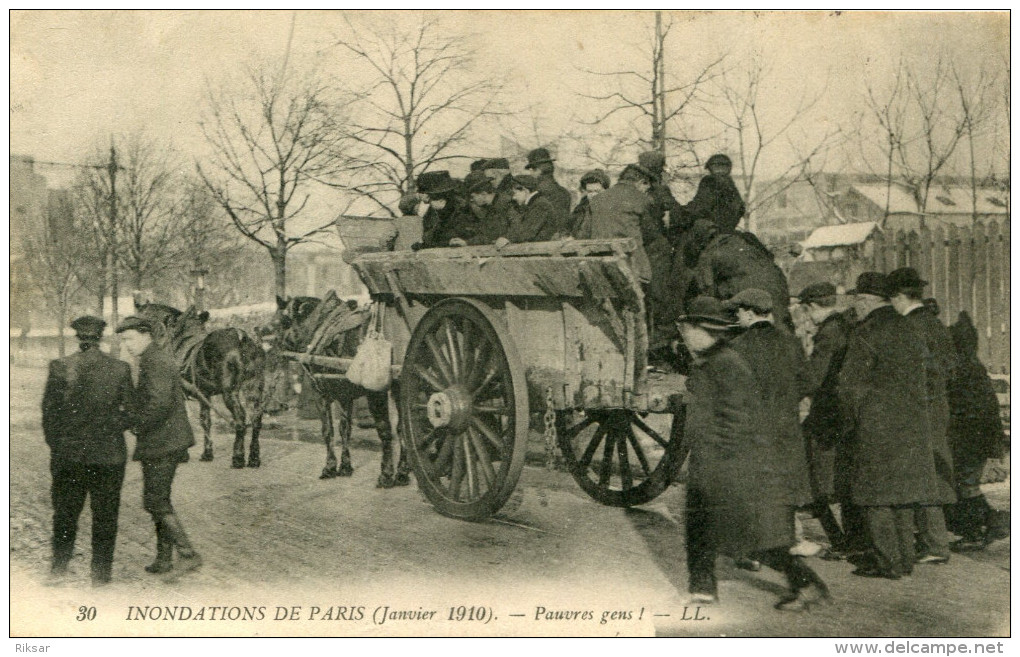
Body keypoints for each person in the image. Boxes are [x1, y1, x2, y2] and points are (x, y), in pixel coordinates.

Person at [679, 296, 828, 611]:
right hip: (717, 460)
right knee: (707, 527)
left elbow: (738, 419)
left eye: (688, 327)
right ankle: (703, 588)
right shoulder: (712, 360)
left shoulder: (726, 364)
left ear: (703, 329)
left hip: (727, 463)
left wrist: (724, 463)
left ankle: (806, 583)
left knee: (753, 537)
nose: (685, 334)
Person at [838, 273, 940, 580]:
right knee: (903, 494)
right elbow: (931, 373)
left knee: (876, 495)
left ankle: (888, 562)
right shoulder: (909, 328)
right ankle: (905, 559)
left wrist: (851, 420)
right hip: (912, 423)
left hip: (875, 424)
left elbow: (848, 384)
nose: (854, 306)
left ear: (867, 301)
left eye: (857, 299)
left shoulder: (866, 332)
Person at [724, 289, 817, 559]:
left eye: (739, 311)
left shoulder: (738, 347)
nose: (737, 316)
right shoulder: (790, 342)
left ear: (750, 313)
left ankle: (751, 546)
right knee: (785, 483)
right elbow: (807, 382)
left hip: (752, 427)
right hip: (786, 425)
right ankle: (787, 540)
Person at [42, 316, 133, 585]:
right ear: (100, 337)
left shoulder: (60, 367)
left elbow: (49, 417)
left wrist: (59, 447)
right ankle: (101, 576)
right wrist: (108, 428)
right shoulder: (120, 369)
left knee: (65, 514)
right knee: (106, 516)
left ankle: (58, 570)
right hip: (109, 456)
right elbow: (131, 413)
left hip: (69, 457)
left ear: (78, 337)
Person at [116, 316, 201, 576]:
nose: (127, 345)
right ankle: (164, 559)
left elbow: (159, 404)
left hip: (164, 441)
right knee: (158, 499)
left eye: (129, 338)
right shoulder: (153, 358)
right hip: (165, 440)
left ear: (146, 334)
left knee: (154, 500)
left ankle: (187, 554)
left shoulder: (154, 361)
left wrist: (137, 424)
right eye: (123, 340)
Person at [887, 267, 956, 565]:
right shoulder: (933, 322)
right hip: (936, 407)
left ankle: (935, 545)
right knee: (929, 473)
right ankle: (933, 541)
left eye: (892, 299)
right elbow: (951, 365)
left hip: (919, 410)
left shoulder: (911, 326)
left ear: (900, 297)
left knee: (921, 474)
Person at [795, 282, 865, 560]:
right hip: (841, 411)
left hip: (828, 413)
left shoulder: (829, 331)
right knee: (838, 477)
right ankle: (850, 538)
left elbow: (815, 377)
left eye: (806, 311)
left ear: (812, 307)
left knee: (814, 476)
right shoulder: (846, 325)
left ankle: (843, 539)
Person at [946, 312, 1009, 551]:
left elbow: (971, 409)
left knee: (965, 485)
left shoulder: (964, 369)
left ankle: (984, 527)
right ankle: (992, 523)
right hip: (977, 436)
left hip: (970, 437)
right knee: (964, 484)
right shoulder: (973, 366)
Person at [689, 219, 793, 330]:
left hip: (750, 297)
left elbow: (706, 289)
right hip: (777, 288)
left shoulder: (708, 252)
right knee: (779, 328)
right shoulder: (745, 241)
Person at [580, 163, 655, 286]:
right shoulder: (642, 199)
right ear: (642, 182)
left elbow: (584, 234)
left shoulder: (596, 200)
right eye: (647, 188)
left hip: (600, 266)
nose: (646, 191)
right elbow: (651, 235)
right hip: (632, 268)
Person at [675, 153, 746, 234]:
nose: (720, 170)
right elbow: (741, 208)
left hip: (712, 228)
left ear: (710, 168)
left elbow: (700, 205)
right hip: (729, 229)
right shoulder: (730, 183)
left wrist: (682, 211)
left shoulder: (709, 180)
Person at [496, 174, 566, 245]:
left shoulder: (540, 205)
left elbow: (528, 231)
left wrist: (507, 238)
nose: (514, 198)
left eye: (515, 193)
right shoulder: (534, 203)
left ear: (525, 190)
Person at [417, 170, 474, 248]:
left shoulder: (462, 209)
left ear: (441, 199)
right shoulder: (434, 212)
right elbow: (430, 235)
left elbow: (460, 235)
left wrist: (445, 242)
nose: (422, 196)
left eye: (424, 192)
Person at [524, 147, 572, 220]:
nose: (530, 174)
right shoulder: (565, 193)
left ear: (537, 170)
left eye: (531, 170)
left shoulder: (535, 194)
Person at [463, 171, 507, 245]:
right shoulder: (492, 206)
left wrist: (467, 242)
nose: (471, 200)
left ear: (483, 194)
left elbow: (492, 235)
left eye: (473, 196)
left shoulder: (502, 206)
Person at [567, 168, 610, 238]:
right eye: (590, 191)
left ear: (606, 191)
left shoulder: (613, 211)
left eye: (597, 191)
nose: (593, 195)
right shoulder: (580, 210)